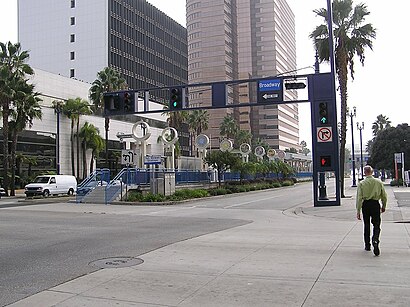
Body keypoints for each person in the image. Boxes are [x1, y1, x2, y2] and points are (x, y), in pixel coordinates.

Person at [356, 165, 387, 256]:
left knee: (366, 225)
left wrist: (358, 210)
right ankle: (375, 239)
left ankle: (367, 245)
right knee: (377, 224)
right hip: (375, 204)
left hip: (366, 204)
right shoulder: (378, 182)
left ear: (364, 173)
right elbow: (384, 196)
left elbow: (359, 198)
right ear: (372, 172)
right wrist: (383, 205)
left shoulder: (361, 183)